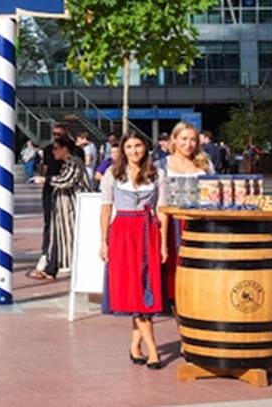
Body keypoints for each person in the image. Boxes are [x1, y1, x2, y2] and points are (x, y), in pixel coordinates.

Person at [100, 131, 169, 369]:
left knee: (145, 288)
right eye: (129, 146)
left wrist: (163, 243)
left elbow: (162, 210)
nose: (134, 151)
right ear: (122, 149)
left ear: (145, 147)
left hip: (148, 231)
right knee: (133, 290)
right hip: (123, 233)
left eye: (138, 145)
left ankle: (135, 346)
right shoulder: (112, 174)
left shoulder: (158, 174)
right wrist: (103, 241)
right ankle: (153, 350)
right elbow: (106, 209)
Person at [160, 121, 212, 310]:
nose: (188, 144)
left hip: (200, 224)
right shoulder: (161, 165)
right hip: (172, 224)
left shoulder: (205, 164)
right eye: (183, 139)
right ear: (174, 139)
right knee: (174, 272)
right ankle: (178, 311)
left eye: (192, 140)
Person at [27, 134, 88, 280]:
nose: (53, 152)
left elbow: (67, 180)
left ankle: (69, 266)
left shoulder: (74, 162)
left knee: (70, 236)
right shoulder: (67, 163)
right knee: (57, 235)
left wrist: (46, 179)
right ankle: (51, 267)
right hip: (62, 206)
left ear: (64, 149)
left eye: (55, 148)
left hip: (71, 207)